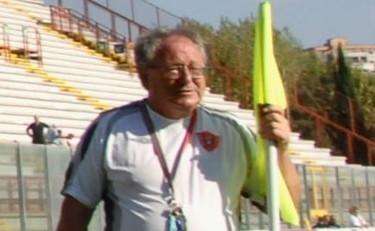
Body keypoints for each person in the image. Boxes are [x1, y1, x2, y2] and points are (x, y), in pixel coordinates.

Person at [57, 27, 300, 231]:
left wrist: (280, 150)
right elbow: (76, 211)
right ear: (145, 76)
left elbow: (283, 205)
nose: (187, 80)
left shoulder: (232, 131)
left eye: (195, 69)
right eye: (174, 69)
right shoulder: (111, 129)